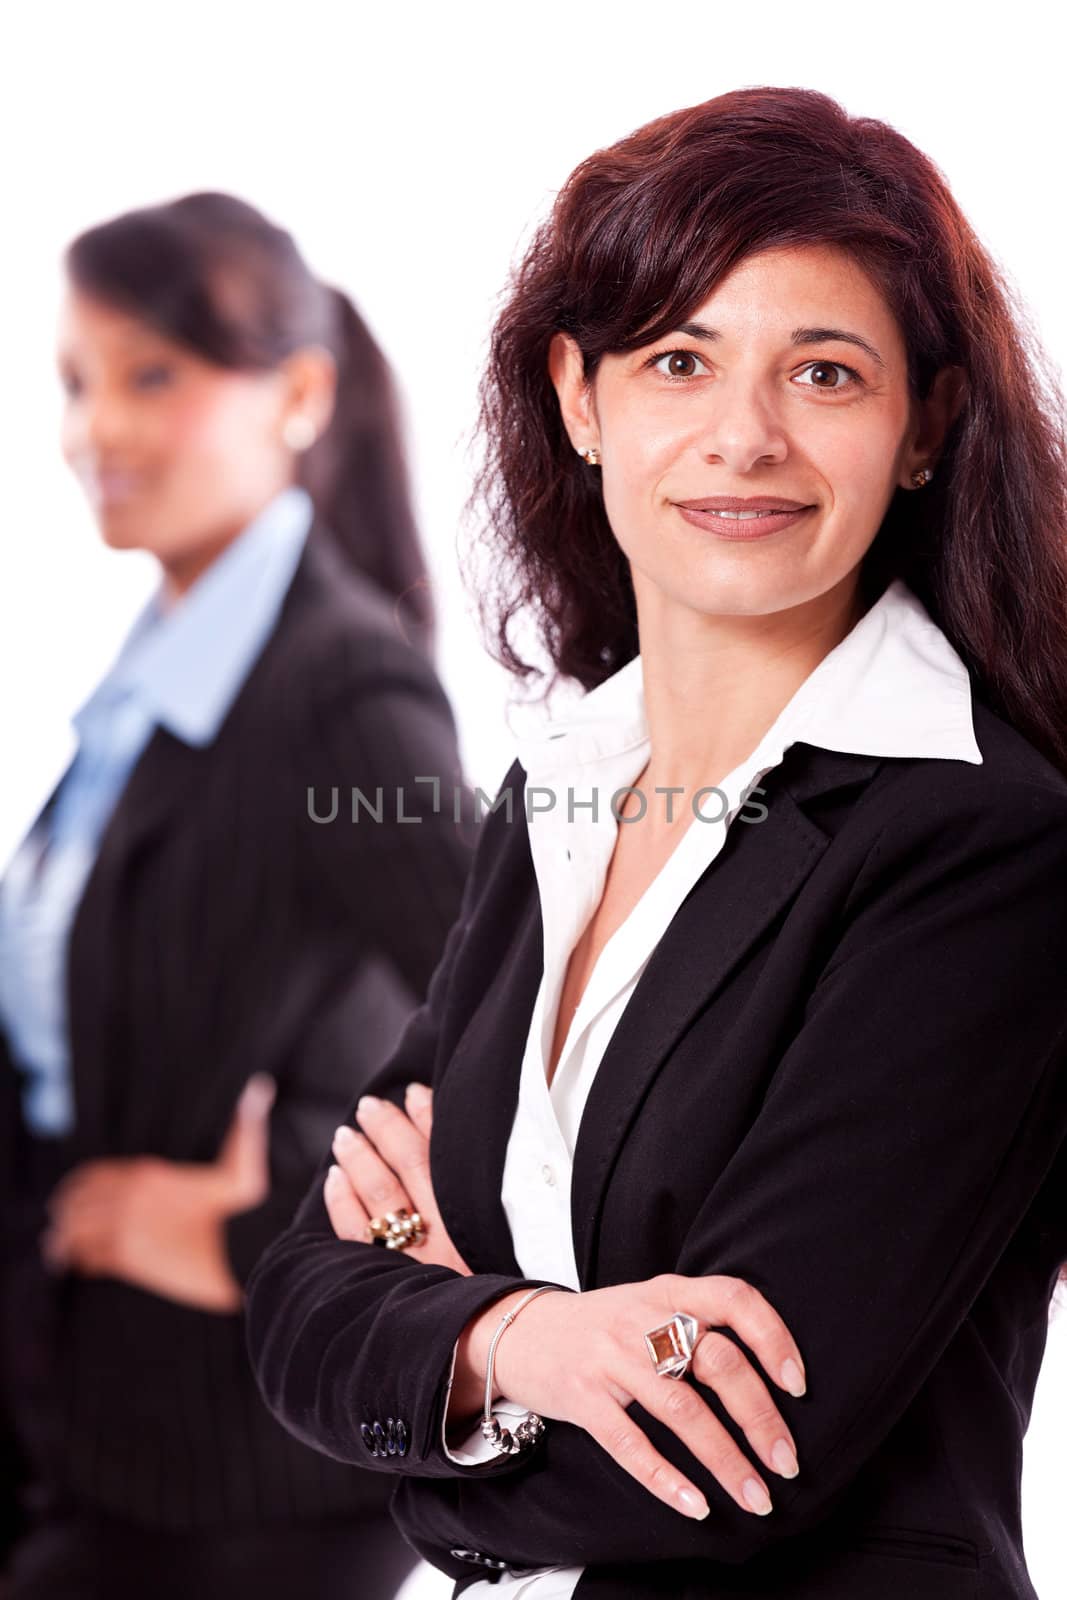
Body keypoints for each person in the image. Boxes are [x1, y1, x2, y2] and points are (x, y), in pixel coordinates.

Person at [244, 87, 1067, 1600]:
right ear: (581, 397)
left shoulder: (981, 851)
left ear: (925, 426)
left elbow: (732, 1459)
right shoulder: (560, 790)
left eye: (825, 372)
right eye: (679, 361)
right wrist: (524, 1340)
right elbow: (295, 1301)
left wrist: (432, 1369)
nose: (742, 438)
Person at [0, 191, 475, 1597]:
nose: (99, 433)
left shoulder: (338, 686)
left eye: (155, 375)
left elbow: (519, 1019)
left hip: (238, 1472)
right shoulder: (158, 684)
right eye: (79, 384)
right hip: (87, 1426)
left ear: (300, 393)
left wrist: (255, 1225)